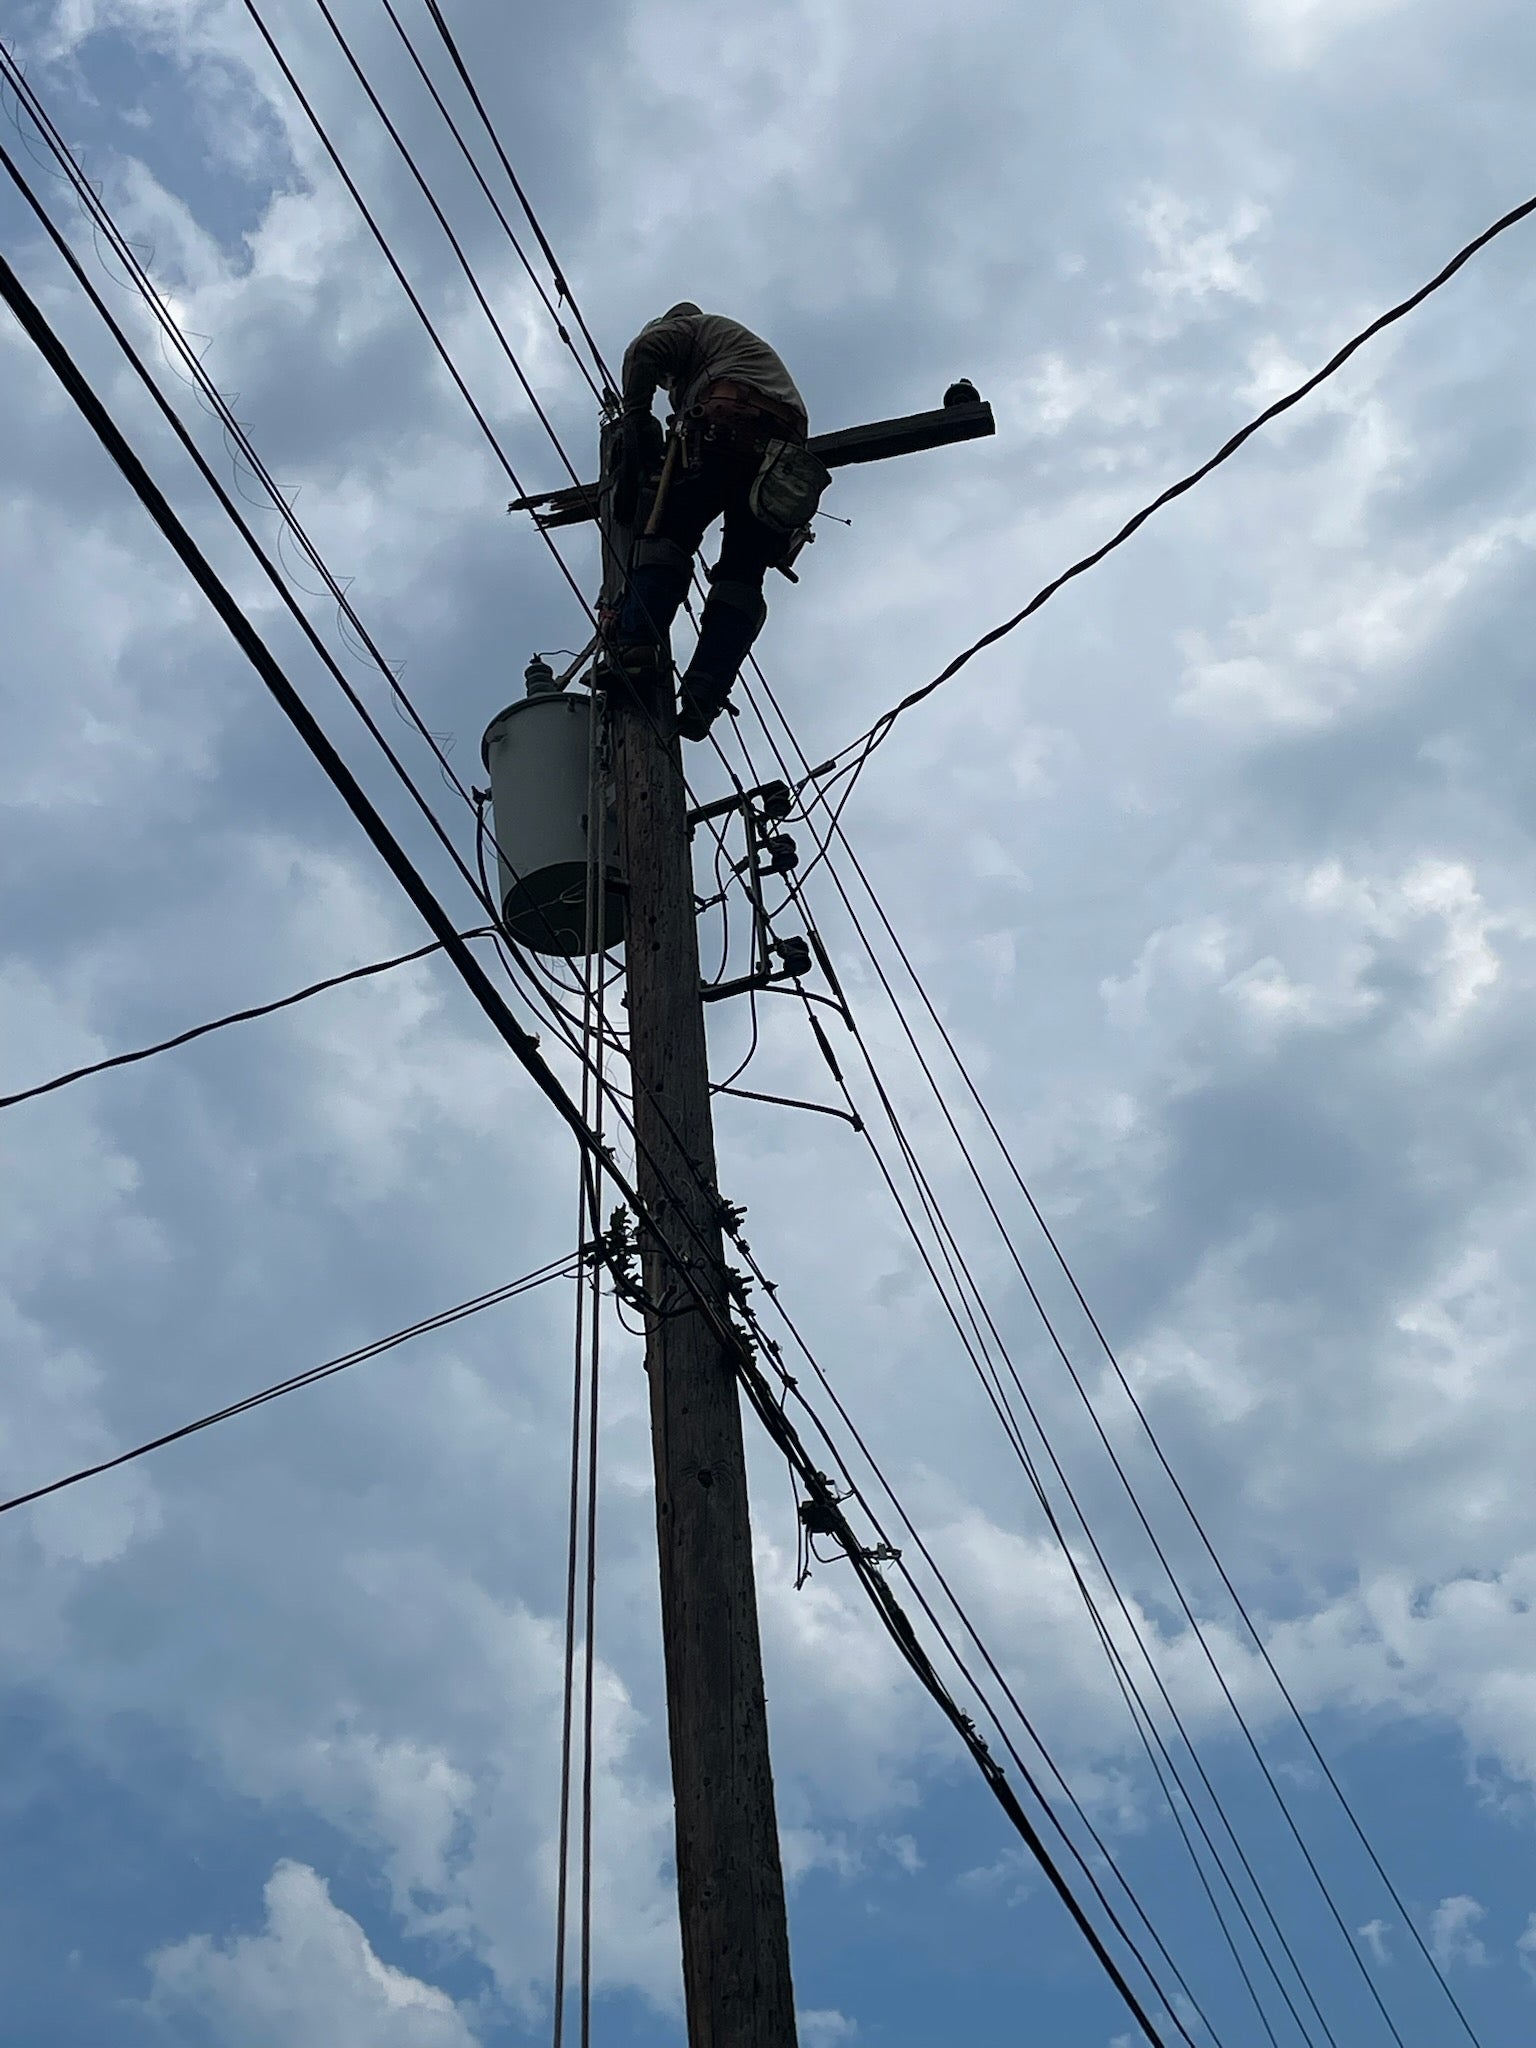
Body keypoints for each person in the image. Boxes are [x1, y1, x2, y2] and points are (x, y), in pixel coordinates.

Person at [608, 303, 826, 741]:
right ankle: (705, 691)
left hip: (730, 426)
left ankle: (635, 650)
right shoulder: (736, 353)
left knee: (668, 536)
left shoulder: (690, 330)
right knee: (742, 577)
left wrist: (635, 418)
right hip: (782, 462)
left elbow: (644, 351)